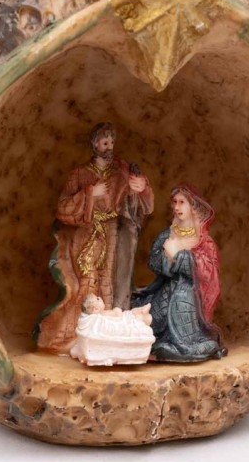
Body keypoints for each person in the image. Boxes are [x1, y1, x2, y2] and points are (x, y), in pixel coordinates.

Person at [36, 123, 154, 354]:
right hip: (86, 234)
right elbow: (63, 208)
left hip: (112, 233)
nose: (109, 147)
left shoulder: (120, 174)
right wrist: (90, 193)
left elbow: (140, 206)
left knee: (108, 281)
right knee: (86, 281)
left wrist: (141, 188)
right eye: (104, 142)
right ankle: (72, 335)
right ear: (94, 144)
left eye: (112, 142)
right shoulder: (79, 174)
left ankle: (102, 336)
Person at [132, 185, 226, 362]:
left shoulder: (204, 241)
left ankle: (183, 345)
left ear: (193, 207)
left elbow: (209, 272)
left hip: (189, 295)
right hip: (166, 290)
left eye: (182, 202)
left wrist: (178, 255)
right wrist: (166, 258)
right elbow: (153, 261)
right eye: (174, 202)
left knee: (182, 305)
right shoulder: (168, 234)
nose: (176, 207)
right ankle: (158, 342)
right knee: (143, 320)